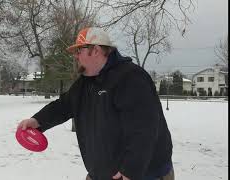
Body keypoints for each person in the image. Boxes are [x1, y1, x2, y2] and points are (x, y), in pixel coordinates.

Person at [18, 27, 174, 180]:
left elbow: (144, 128)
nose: (76, 56)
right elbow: (63, 106)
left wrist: (131, 171)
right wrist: (37, 121)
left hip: (142, 174)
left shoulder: (131, 78)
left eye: (79, 51)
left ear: (97, 51)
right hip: (102, 173)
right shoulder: (85, 83)